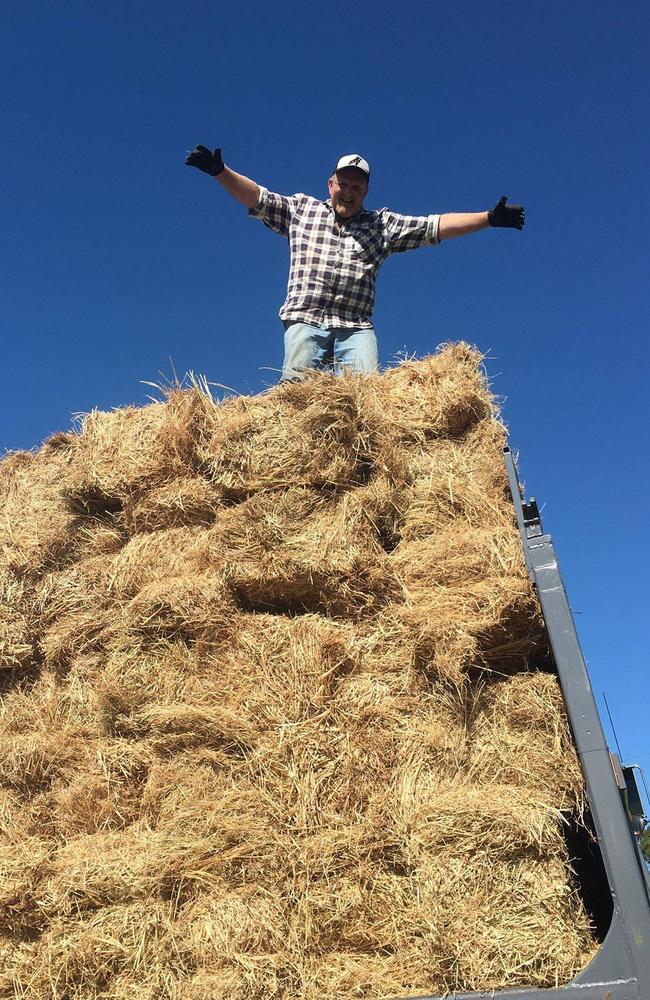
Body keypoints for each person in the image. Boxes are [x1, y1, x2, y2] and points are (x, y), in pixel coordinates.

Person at [185, 146, 525, 380]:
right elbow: (257, 197)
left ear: (366, 191)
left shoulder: (382, 225)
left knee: (365, 397)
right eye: (343, 184)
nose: (348, 192)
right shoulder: (301, 210)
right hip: (306, 319)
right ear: (331, 184)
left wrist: (489, 218)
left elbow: (434, 226)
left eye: (357, 187)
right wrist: (219, 171)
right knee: (296, 397)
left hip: (355, 327)